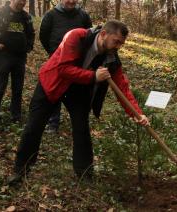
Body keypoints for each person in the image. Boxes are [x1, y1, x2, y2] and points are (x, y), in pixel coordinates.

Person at [8, 20, 150, 185]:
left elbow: (122, 87)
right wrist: (93, 77)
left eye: (121, 44)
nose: (118, 47)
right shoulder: (76, 36)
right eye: (116, 42)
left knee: (82, 128)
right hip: (53, 83)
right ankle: (20, 170)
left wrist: (137, 113)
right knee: (34, 126)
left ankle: (85, 174)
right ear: (103, 34)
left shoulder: (111, 57)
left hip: (78, 90)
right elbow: (63, 69)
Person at [0, 0, 35, 126]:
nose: (22, 3)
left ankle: (16, 116)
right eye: (19, 0)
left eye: (24, 1)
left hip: (20, 57)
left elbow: (31, 33)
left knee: (18, 88)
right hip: (3, 56)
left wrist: (29, 46)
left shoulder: (26, 17)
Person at [39, 0, 92, 134]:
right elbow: (43, 36)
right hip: (56, 60)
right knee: (55, 90)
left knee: (76, 92)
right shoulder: (50, 15)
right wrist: (54, 53)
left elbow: (89, 36)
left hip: (77, 62)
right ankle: (53, 122)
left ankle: (78, 124)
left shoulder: (83, 16)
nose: (71, 1)